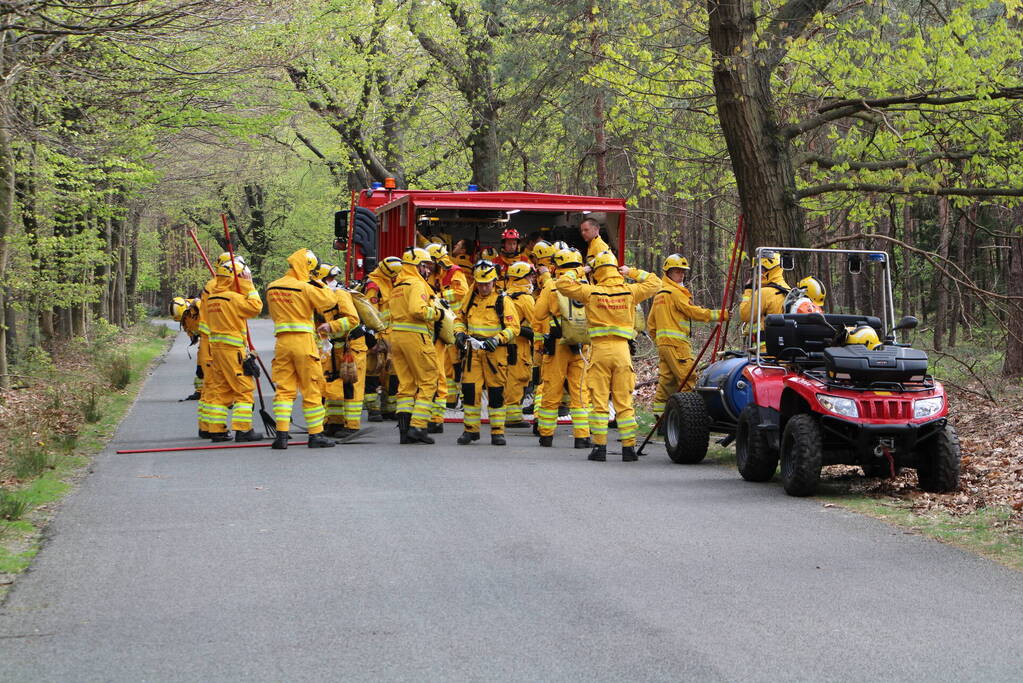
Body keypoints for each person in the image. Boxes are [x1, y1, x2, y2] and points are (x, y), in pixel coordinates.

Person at [556, 250, 661, 462]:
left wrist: (580, 270)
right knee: (624, 401)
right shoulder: (630, 291)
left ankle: (599, 449)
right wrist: (631, 271)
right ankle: (629, 450)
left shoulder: (591, 292)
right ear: (615, 271)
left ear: (597, 272)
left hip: (600, 352)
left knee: (599, 402)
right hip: (622, 352)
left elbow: (562, 284)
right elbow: (655, 282)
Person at [266, 248, 339, 449]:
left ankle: (281, 434)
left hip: (281, 344)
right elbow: (329, 302)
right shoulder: (305, 287)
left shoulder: (272, 287)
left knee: (284, 390)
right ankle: (316, 435)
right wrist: (317, 282)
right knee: (312, 388)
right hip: (303, 343)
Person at [647, 254, 727, 419]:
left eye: (683, 271)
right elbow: (693, 312)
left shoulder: (660, 294)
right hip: (677, 345)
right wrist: (720, 315)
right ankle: (688, 417)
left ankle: (661, 418)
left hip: (664, 345)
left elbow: (651, 324)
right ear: (668, 272)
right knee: (687, 379)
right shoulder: (675, 293)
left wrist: (660, 341)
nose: (681, 274)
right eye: (677, 271)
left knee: (667, 382)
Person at [453, 260, 520, 446]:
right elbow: (459, 319)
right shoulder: (470, 299)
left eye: (487, 284)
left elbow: (514, 328)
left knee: (496, 392)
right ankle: (470, 430)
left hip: (495, 352)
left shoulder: (503, 301)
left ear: (494, 282)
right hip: (473, 351)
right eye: (480, 283)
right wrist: (459, 333)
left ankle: (498, 432)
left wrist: (497, 339)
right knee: (469, 389)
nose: (483, 287)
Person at [532, 248, 591, 449]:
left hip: (557, 345)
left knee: (552, 389)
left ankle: (546, 435)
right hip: (581, 345)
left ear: (556, 267)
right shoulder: (586, 285)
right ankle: (582, 437)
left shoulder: (551, 286)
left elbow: (538, 315)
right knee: (580, 392)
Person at [203, 257, 264, 442]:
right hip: (233, 351)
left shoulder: (212, 298)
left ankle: (217, 430)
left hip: (217, 351)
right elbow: (256, 307)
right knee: (244, 390)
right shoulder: (232, 298)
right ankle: (243, 430)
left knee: (221, 390)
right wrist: (248, 285)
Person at [390, 246, 442, 444]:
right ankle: (418, 426)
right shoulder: (416, 284)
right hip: (415, 337)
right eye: (425, 266)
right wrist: (438, 313)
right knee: (429, 379)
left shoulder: (397, 285)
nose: (427, 270)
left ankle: (404, 432)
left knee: (406, 384)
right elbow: (417, 310)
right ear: (416, 266)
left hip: (397, 338)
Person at [314, 263, 367, 440]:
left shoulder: (340, 294)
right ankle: (334, 422)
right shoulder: (318, 297)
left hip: (352, 345)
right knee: (333, 381)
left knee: (351, 382)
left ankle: (352, 425)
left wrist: (331, 326)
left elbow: (353, 320)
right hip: (335, 345)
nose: (331, 282)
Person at [426, 242, 469, 430]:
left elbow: (462, 292)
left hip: (455, 322)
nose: (427, 267)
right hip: (443, 324)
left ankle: (452, 398)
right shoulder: (436, 274)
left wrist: (441, 295)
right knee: (446, 365)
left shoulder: (454, 272)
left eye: (430, 263)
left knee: (455, 364)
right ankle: (449, 400)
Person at [363, 256, 402, 421]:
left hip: (392, 334)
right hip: (378, 335)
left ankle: (390, 408)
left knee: (392, 372)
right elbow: (369, 313)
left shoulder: (393, 281)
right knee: (373, 370)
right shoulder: (374, 286)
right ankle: (373, 409)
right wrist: (372, 339)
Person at [502, 261, 537, 427]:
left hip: (505, 343)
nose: (532, 280)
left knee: (508, 377)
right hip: (519, 345)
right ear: (523, 278)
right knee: (518, 378)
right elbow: (537, 323)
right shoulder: (525, 299)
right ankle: (512, 416)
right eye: (530, 276)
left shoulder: (504, 295)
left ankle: (508, 411)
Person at [739, 251, 791, 343]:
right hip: (783, 348)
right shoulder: (789, 290)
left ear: (769, 270)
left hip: (764, 351)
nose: (758, 274)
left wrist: (748, 290)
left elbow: (745, 315)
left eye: (760, 269)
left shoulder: (764, 293)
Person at [172, 296, 203, 401]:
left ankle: (223, 393)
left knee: (215, 368)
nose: (183, 320)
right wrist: (193, 336)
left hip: (215, 341)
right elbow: (188, 328)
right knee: (200, 369)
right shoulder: (185, 316)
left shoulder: (199, 306)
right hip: (205, 342)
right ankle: (200, 392)